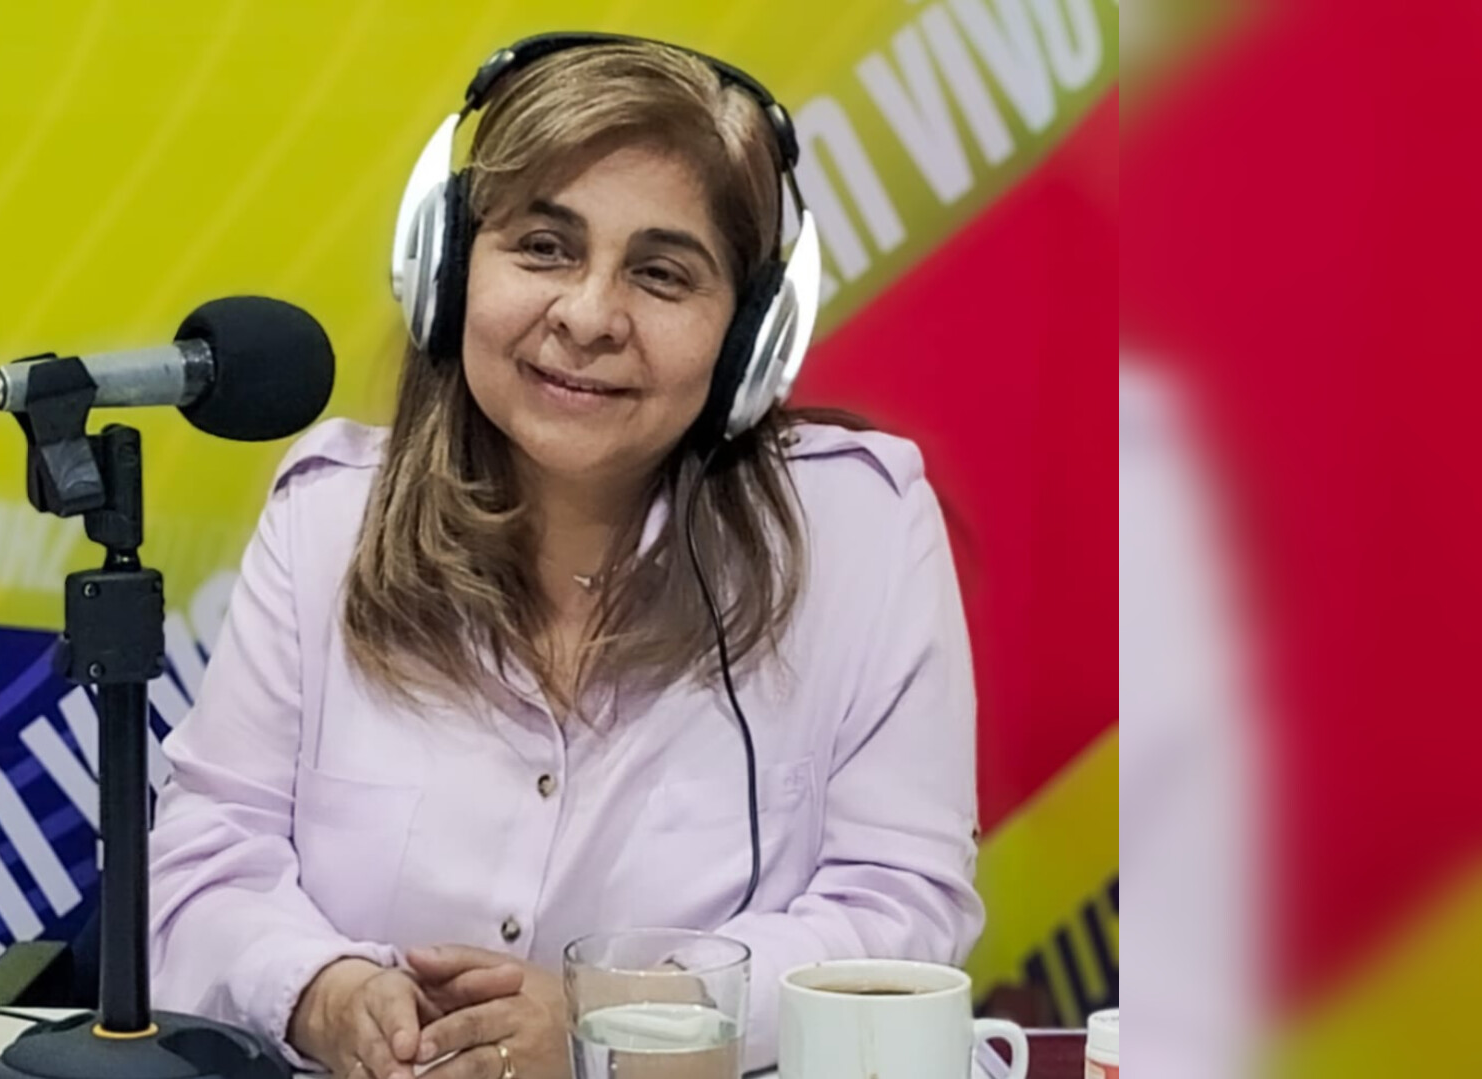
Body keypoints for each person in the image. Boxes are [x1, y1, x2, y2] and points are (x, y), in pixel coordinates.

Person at [148, 34, 983, 1078]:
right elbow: (206, 859)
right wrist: (323, 993)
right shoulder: (327, 519)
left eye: (662, 273)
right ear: (447, 268)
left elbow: (901, 907)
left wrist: (614, 1021)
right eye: (544, 247)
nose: (588, 317)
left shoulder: (861, 529)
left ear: (751, 338)